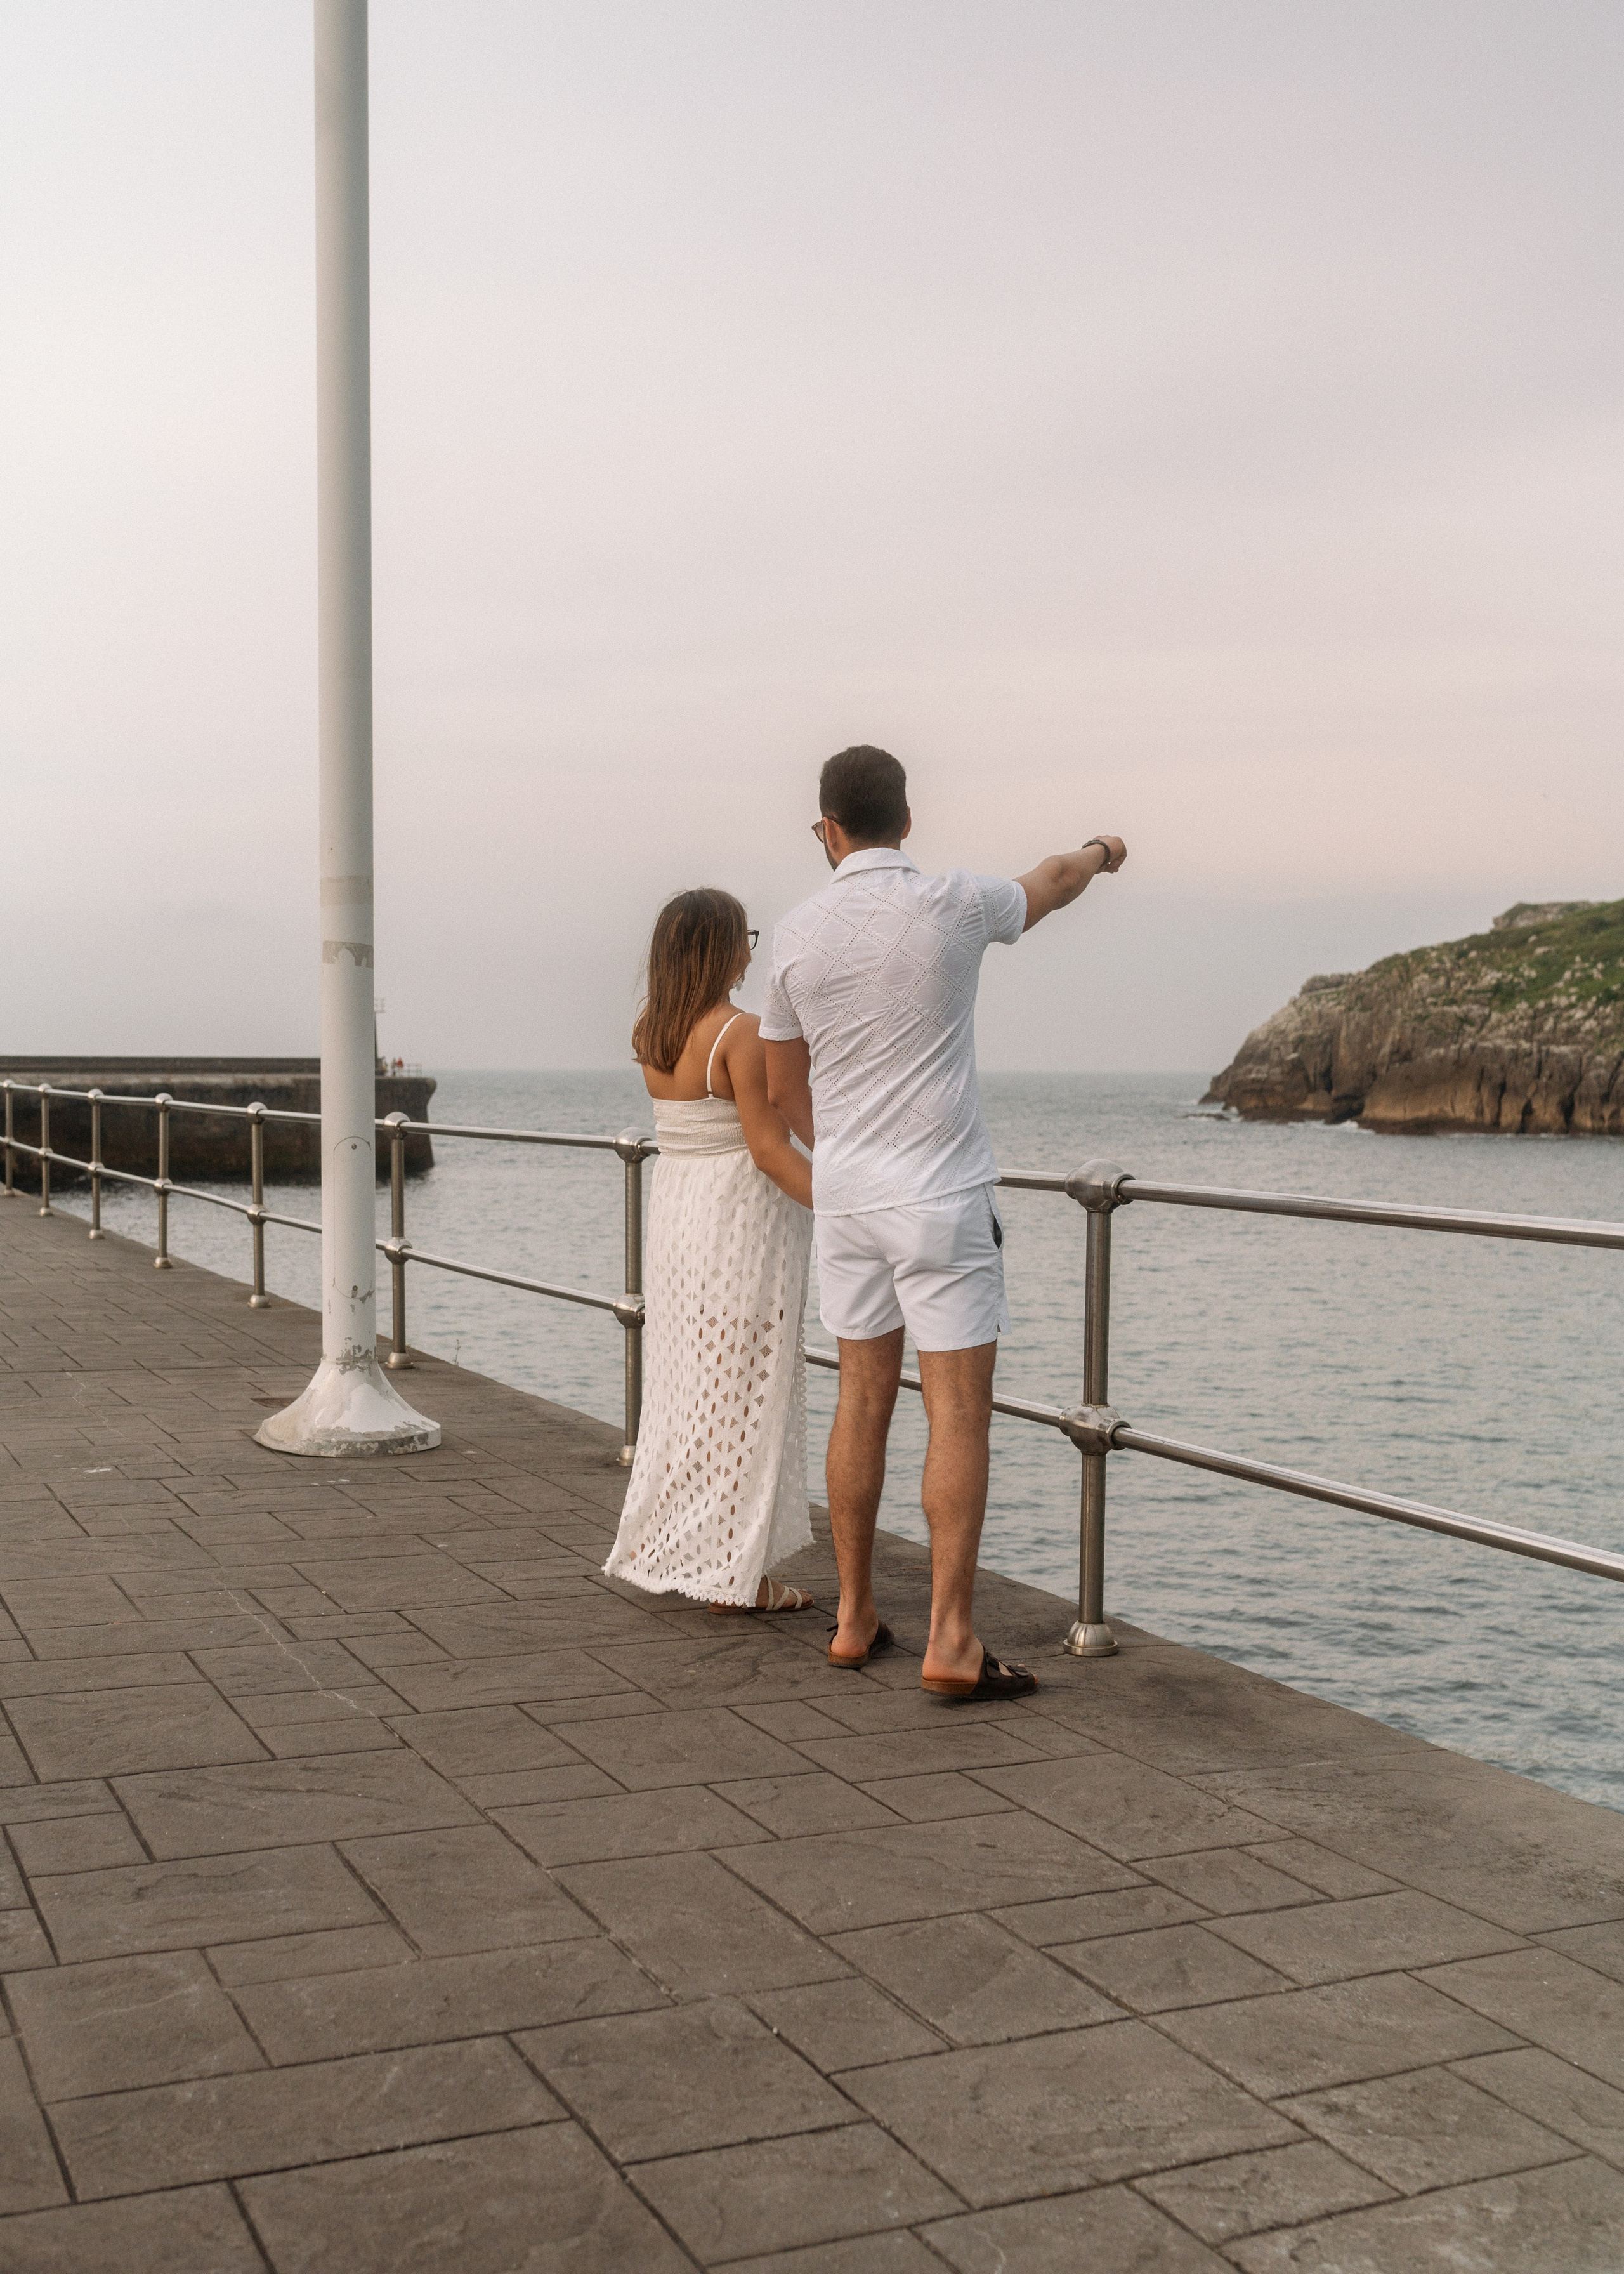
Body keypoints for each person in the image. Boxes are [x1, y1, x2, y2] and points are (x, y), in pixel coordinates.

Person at [761, 746, 1126, 1699]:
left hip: (847, 1198)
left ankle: (852, 1617)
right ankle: (952, 1642)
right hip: (942, 1195)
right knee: (956, 1410)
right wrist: (1101, 849)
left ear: (825, 831)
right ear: (908, 821)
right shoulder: (955, 902)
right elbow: (1051, 881)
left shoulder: (795, 935)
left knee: (861, 1399)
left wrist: (844, 1152)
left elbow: (781, 1087)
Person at [605, 888, 818, 1615]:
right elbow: (766, 1150)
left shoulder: (652, 1030)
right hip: (738, 1226)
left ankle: (693, 1546)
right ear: (718, 948)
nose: (752, 949)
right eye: (744, 935)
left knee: (692, 1383)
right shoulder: (742, 1033)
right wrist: (855, 1207)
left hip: (679, 1213)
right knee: (743, 1389)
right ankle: (737, 1572)